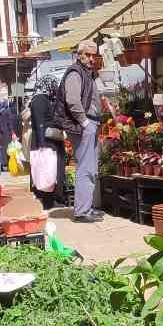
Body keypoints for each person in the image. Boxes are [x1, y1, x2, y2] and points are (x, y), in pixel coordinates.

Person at [56, 41, 106, 223]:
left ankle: (86, 208)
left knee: (90, 167)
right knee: (86, 167)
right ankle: (82, 211)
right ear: (79, 55)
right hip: (83, 126)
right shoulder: (75, 73)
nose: (91, 59)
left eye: (94, 55)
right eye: (88, 55)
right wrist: (85, 123)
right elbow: (72, 101)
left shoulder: (86, 73)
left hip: (89, 124)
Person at [28, 75, 66, 209]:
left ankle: (49, 199)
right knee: (46, 171)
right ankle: (47, 201)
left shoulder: (43, 99)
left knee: (48, 171)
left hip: (48, 142)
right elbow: (39, 123)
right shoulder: (39, 100)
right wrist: (42, 144)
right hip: (46, 143)